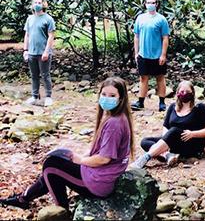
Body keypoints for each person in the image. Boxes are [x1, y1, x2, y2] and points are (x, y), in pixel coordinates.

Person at [0, 77, 134, 209]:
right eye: (104, 94)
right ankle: (23, 198)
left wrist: (80, 160)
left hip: (99, 183)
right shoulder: (115, 117)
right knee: (54, 166)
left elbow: (104, 158)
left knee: (50, 165)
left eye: (112, 95)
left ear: (120, 99)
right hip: (100, 176)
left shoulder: (114, 123)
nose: (106, 98)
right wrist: (79, 158)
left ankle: (61, 211)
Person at [131, 80, 205, 169]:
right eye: (182, 92)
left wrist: (192, 134)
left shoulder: (200, 108)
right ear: (177, 93)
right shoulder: (172, 107)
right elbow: (166, 126)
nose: (184, 94)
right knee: (145, 141)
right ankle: (168, 155)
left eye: (187, 92)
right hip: (174, 141)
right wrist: (165, 139)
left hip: (192, 142)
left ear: (192, 93)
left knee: (174, 130)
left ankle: (146, 157)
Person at [131, 0, 170, 112]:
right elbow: (136, 36)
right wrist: (136, 53)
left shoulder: (161, 19)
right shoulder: (140, 18)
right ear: (144, 4)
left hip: (157, 56)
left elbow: (165, 38)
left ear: (157, 4)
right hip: (143, 55)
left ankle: (162, 103)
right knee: (143, 78)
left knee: (160, 78)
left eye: (152, 3)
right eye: (148, 2)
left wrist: (163, 54)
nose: (150, 5)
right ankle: (140, 102)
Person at [23, 0, 56, 106]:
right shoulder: (29, 19)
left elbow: (51, 36)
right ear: (32, 5)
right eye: (35, 3)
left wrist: (47, 51)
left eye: (39, 3)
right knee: (34, 75)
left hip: (43, 53)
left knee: (45, 75)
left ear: (43, 4)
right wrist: (25, 50)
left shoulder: (48, 19)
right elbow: (27, 35)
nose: (37, 5)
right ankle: (34, 96)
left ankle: (48, 97)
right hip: (32, 52)